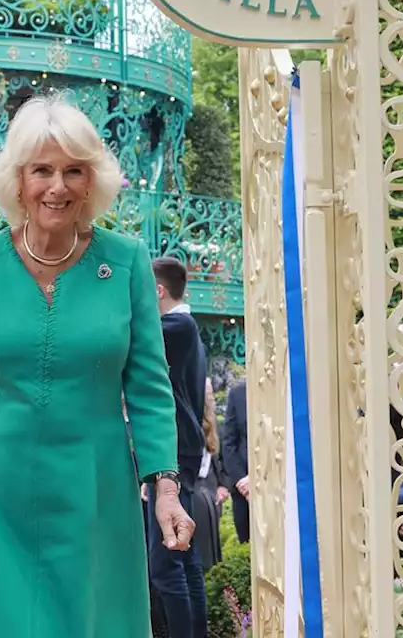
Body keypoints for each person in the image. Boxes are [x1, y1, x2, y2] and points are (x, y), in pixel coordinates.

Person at [0, 95, 194, 637]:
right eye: (42, 170)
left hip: (96, 493)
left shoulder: (128, 259)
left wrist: (165, 490)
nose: (57, 187)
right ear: (18, 181)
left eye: (73, 171)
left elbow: (150, 388)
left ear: (93, 182)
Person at [150, 255, 209, 638]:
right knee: (182, 556)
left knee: (165, 562)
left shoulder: (177, 324)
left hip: (174, 450)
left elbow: (128, 335)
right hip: (179, 448)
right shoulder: (183, 326)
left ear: (157, 291)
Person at [192, 378, 228, 571]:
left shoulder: (200, 427)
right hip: (205, 498)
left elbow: (220, 460)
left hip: (199, 495)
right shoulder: (205, 425)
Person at [220, 378, 249, 543]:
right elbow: (229, 442)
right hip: (243, 488)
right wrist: (241, 480)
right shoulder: (237, 393)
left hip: (274, 481)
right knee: (246, 541)